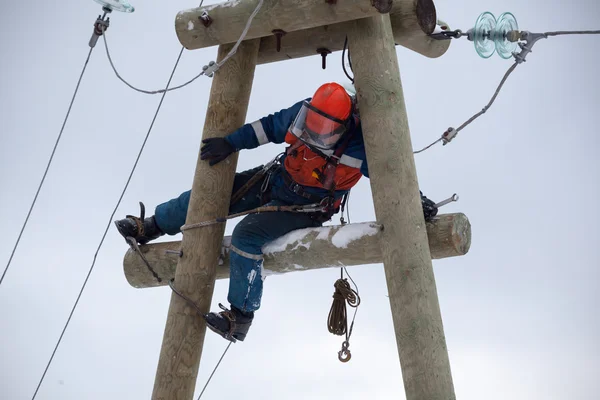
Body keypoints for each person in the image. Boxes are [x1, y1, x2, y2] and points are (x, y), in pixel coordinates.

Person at [115, 82, 438, 343]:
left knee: (247, 236)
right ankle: (151, 226)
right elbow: (266, 127)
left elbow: (392, 175)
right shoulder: (302, 115)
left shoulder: (361, 147)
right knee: (209, 197)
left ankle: (239, 318)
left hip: (307, 209)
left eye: (324, 132)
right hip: (276, 180)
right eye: (313, 127)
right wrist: (231, 143)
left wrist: (416, 202)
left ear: (341, 126)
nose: (315, 136)